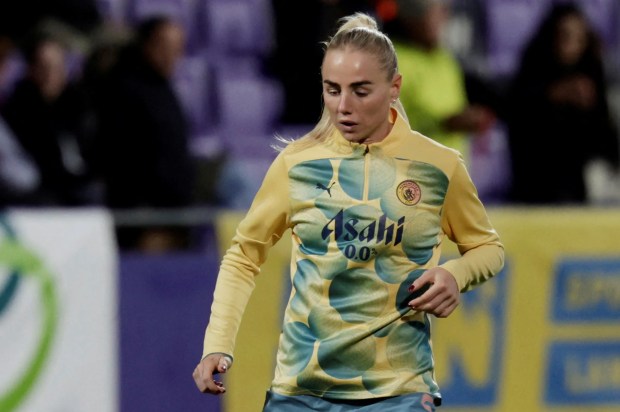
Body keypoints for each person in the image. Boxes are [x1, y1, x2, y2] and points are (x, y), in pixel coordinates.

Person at [193, 12, 504, 411]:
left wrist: (455, 274)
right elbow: (243, 255)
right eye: (332, 89)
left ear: (394, 88)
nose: (343, 106)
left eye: (360, 90)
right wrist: (217, 343)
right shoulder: (298, 164)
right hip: (301, 393)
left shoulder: (438, 167)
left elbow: (488, 248)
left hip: (398, 392)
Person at [95, 15, 195, 251]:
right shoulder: (125, 89)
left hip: (175, 207)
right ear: (147, 46)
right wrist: (143, 213)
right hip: (146, 214)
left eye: (176, 48)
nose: (172, 55)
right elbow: (121, 156)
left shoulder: (164, 88)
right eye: (165, 47)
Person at [505, 2, 619, 205]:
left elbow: (603, 132)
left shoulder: (591, 69)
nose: (571, 44)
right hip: (534, 183)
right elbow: (516, 111)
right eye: (565, 35)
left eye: (578, 38)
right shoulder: (534, 64)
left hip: (576, 186)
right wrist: (554, 94)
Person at [386, 0, 496, 164]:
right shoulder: (390, 61)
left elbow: (456, 107)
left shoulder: (446, 60)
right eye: (429, 12)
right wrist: (444, 123)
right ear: (409, 17)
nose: (438, 19)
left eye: (442, 11)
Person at [1, 28, 101, 206]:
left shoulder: (79, 106)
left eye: (56, 67)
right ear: (31, 70)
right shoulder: (18, 110)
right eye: (44, 67)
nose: (50, 75)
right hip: (42, 192)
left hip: (78, 187)